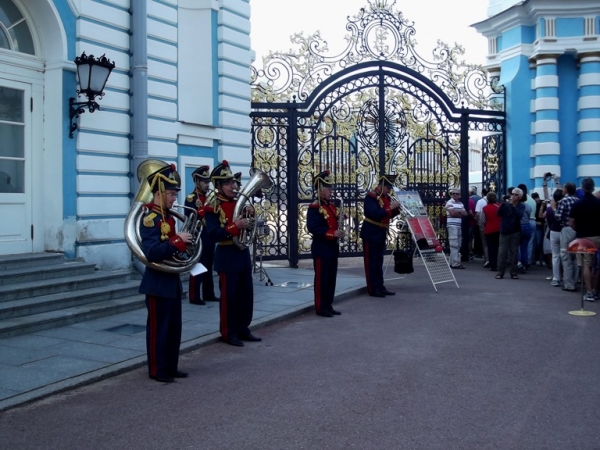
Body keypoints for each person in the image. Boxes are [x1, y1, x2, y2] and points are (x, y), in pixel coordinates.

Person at [139, 163, 191, 383]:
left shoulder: (168, 217)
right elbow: (152, 253)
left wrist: (183, 249)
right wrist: (178, 241)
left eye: (174, 194)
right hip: (157, 282)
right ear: (158, 193)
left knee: (173, 329)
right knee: (158, 330)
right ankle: (157, 369)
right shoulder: (149, 218)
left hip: (171, 280)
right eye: (170, 194)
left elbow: (170, 247)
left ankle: (170, 365)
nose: (173, 198)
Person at [204, 160, 261, 347]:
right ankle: (229, 332)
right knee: (229, 298)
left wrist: (250, 216)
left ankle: (243, 328)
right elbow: (212, 235)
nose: (233, 186)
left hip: (242, 253)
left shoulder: (240, 202)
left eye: (234, 182)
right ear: (218, 186)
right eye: (228, 183)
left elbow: (250, 226)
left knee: (246, 295)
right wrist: (234, 226)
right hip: (226, 254)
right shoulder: (212, 206)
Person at [307, 170, 345, 317]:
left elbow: (331, 221)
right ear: (320, 190)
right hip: (321, 248)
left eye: (331, 188)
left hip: (332, 247)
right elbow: (313, 227)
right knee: (322, 279)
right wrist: (332, 233)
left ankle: (328, 304)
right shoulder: (315, 207)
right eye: (328, 188)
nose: (331, 191)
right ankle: (320, 307)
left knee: (331, 278)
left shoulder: (330, 205)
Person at [360, 174, 401, 297]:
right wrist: (390, 208)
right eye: (388, 188)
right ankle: (373, 289)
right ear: (382, 186)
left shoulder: (385, 197)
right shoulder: (371, 197)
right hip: (371, 232)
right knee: (371, 262)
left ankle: (380, 286)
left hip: (381, 232)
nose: (389, 191)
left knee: (379, 262)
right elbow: (374, 214)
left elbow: (387, 214)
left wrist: (396, 210)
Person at [184, 165, 218, 305]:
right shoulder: (192, 198)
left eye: (208, 182)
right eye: (204, 182)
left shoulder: (210, 197)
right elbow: (190, 217)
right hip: (198, 236)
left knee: (209, 265)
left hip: (209, 235)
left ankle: (209, 293)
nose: (207, 184)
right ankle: (194, 295)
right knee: (199, 265)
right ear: (197, 181)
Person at [569, 177, 600, 301]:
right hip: (598, 236)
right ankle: (596, 290)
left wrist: (578, 230)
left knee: (586, 264)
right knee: (597, 265)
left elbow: (571, 222)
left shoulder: (578, 203)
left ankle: (589, 291)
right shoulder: (598, 203)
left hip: (583, 238)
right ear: (593, 187)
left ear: (582, 188)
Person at [555, 182, 579, 292]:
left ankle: (569, 284)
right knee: (575, 257)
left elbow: (558, 217)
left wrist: (554, 209)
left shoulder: (563, 201)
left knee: (566, 256)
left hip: (566, 229)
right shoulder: (577, 200)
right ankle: (574, 281)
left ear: (566, 189)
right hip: (577, 230)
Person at [496, 187, 524, 279]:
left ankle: (513, 272)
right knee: (502, 252)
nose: (513, 196)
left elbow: (519, 216)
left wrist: (513, 206)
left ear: (520, 197)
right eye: (512, 194)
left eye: (516, 195)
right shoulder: (506, 204)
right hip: (504, 231)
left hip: (515, 231)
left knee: (514, 252)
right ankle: (500, 272)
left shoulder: (521, 206)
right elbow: (498, 214)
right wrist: (503, 203)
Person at [445, 188, 468, 269]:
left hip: (458, 225)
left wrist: (457, 212)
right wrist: (459, 213)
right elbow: (452, 213)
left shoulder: (461, 203)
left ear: (459, 195)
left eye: (456, 194)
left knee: (458, 244)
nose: (455, 195)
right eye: (453, 193)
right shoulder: (449, 202)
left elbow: (465, 214)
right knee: (454, 244)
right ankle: (455, 263)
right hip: (452, 225)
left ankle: (452, 262)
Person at [480, 191, 501, 272]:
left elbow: (482, 220)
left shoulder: (485, 208)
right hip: (499, 229)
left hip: (489, 230)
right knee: (499, 248)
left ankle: (492, 265)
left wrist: (483, 227)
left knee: (491, 248)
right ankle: (500, 263)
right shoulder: (499, 206)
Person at [517, 188, 533, 271]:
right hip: (527, 226)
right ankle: (525, 263)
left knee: (516, 246)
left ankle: (519, 263)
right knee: (524, 247)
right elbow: (529, 215)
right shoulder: (528, 206)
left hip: (519, 226)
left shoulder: (517, 206)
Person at [475, 188, 489, 267]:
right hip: (493, 225)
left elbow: (477, 213)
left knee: (485, 242)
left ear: (482, 193)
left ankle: (487, 259)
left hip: (483, 224)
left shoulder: (480, 202)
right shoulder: (495, 202)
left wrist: (479, 223)